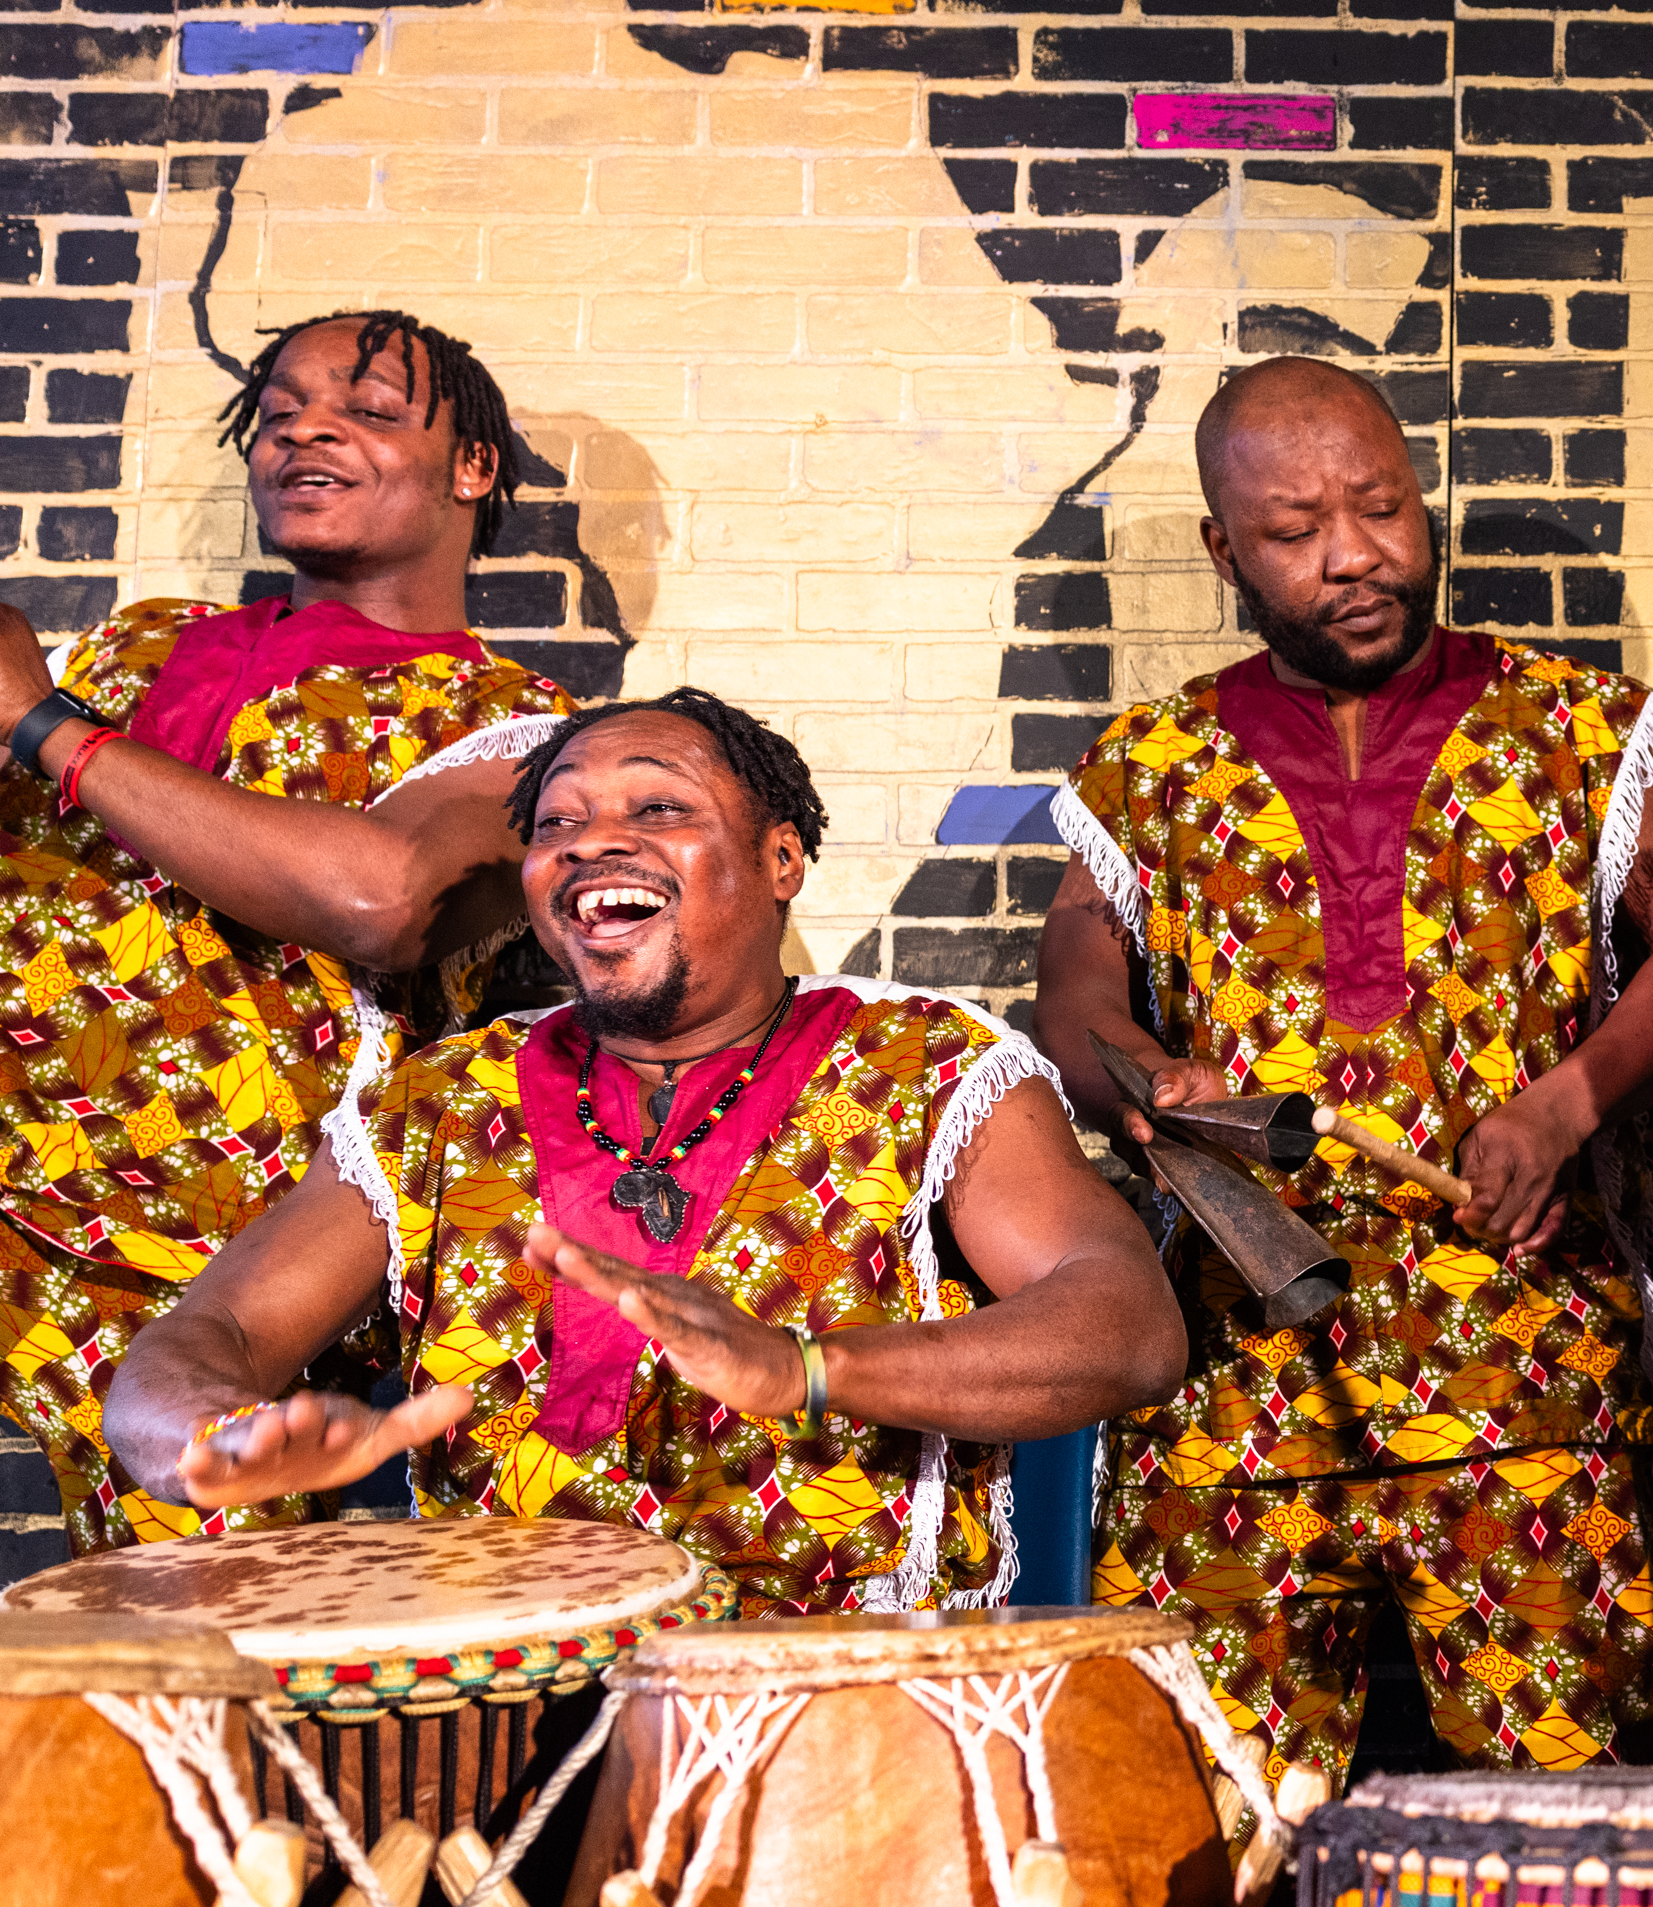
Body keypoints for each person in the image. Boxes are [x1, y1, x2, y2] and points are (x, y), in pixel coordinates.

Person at [1033, 356, 1653, 1798]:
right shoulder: (1153, 762)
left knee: (1563, 1820)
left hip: (1526, 1381)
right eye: (1297, 529)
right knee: (1198, 1809)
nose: (1355, 556)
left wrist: (1567, 1103)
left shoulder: (1580, 726)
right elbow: (1075, 990)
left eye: (1384, 508)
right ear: (1222, 549)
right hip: (1238, 1381)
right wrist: (1137, 1076)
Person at [0, 309, 571, 1550]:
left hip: (200, 1284)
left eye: (364, 408)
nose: (305, 426)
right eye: (282, 408)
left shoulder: (520, 724)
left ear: (472, 468)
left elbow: (384, 898)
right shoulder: (151, 642)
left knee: (208, 1664)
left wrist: (48, 721)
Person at [100, 691, 1183, 1612]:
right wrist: (210, 1436)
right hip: (498, 1688)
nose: (590, 838)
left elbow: (1126, 1326)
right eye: (556, 821)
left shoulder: (926, 1063)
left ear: (780, 859)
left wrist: (810, 1367)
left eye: (658, 807)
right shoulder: (435, 1099)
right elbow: (209, 1334)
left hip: (827, 1704)